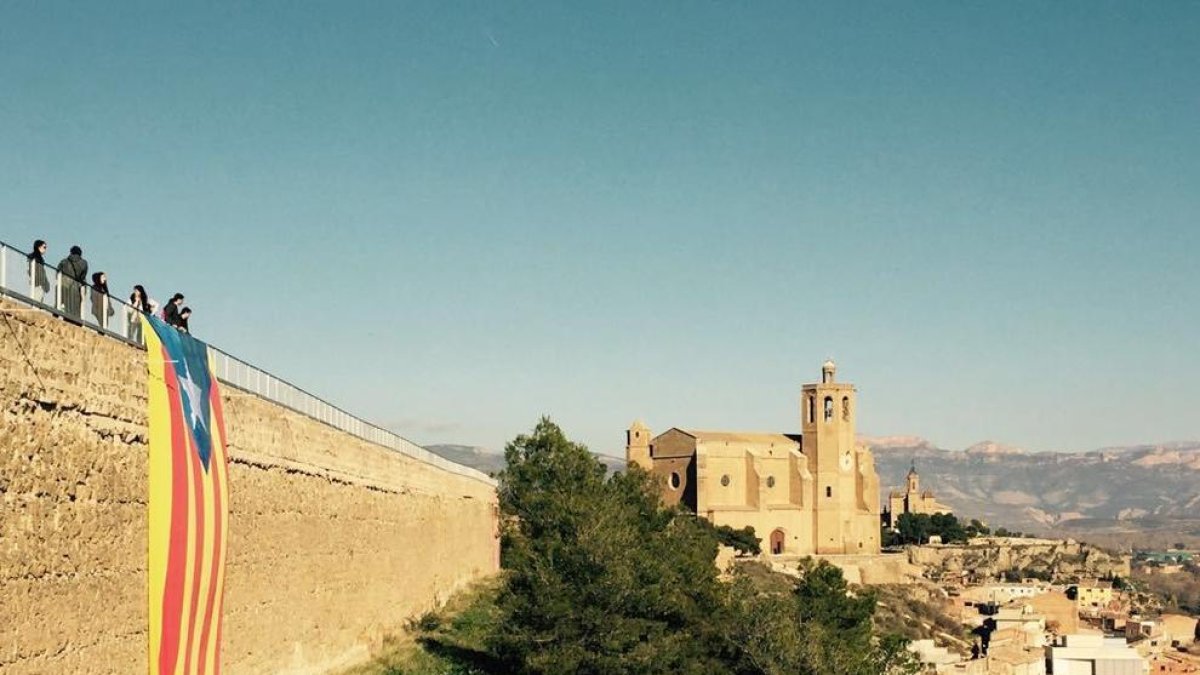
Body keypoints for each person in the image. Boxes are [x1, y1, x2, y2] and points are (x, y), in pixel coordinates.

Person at [56, 246, 88, 319]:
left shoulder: (64, 261)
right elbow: (83, 277)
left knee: (62, 302)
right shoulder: (84, 263)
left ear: (71, 252)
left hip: (64, 284)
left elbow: (58, 272)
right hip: (75, 287)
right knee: (74, 306)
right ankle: (74, 320)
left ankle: (58, 315)